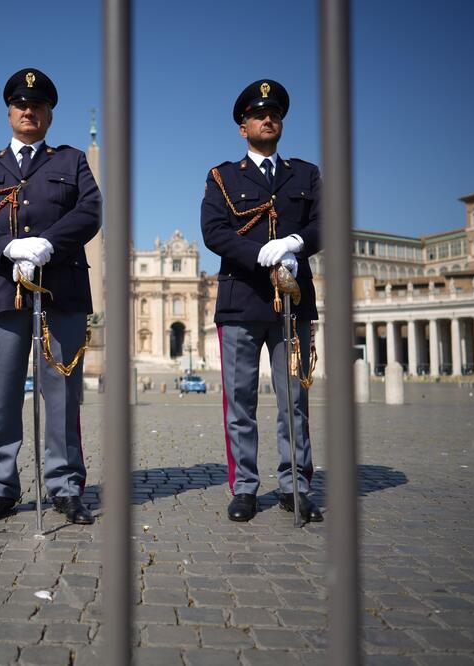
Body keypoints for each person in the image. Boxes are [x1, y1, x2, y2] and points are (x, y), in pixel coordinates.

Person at [0, 68, 102, 525]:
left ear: (49, 114)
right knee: (2, 395)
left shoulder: (72, 160)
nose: (28, 110)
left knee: (62, 393)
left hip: (61, 290)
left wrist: (48, 243)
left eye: (37, 105)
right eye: (21, 104)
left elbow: (91, 211)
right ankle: (0, 486)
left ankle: (65, 485)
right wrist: (8, 247)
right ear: (9, 111)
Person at [200, 79, 324, 524]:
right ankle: (245, 487)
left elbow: (323, 224)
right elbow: (214, 232)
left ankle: (295, 484)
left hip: (294, 300)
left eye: (274, 114)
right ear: (243, 126)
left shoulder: (306, 174)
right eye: (258, 114)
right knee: (240, 400)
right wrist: (258, 254)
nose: (267, 119)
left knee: (294, 400)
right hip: (241, 299)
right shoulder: (222, 177)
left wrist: (295, 241)